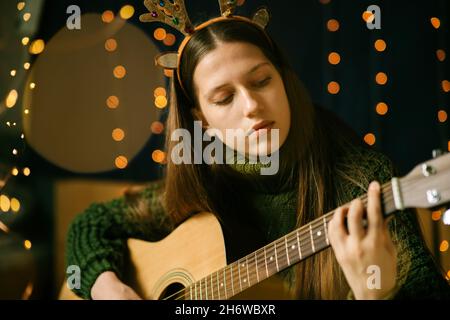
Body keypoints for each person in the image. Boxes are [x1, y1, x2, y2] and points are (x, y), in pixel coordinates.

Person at [65, 10, 450, 300]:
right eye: (224, 97)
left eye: (262, 81)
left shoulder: (363, 180)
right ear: (202, 119)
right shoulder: (210, 176)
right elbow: (91, 223)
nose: (251, 105)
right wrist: (106, 286)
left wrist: (375, 291)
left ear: (284, 79)